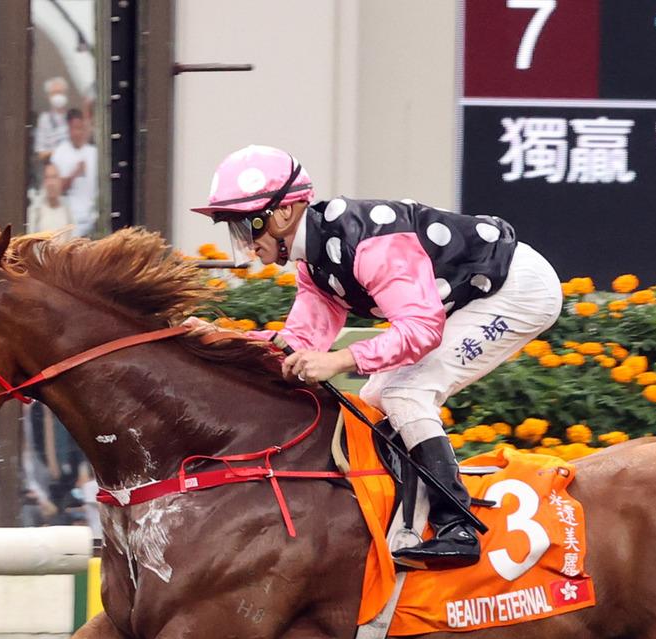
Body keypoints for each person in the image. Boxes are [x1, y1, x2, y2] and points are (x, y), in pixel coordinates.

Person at [188, 145, 564, 570]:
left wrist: (338, 360)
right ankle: (406, 520)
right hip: (470, 296)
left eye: (246, 226)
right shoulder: (315, 264)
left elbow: (421, 330)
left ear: (284, 213)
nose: (245, 243)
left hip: (516, 290)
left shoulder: (370, 242)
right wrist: (219, 341)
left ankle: (456, 526)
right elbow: (297, 344)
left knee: (405, 390)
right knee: (377, 393)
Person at [49, 108, 98, 236]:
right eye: (74, 129)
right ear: (69, 129)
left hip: (93, 218)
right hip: (69, 220)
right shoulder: (60, 153)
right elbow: (57, 189)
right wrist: (74, 174)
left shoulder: (94, 153)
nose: (78, 133)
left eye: (80, 128)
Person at [27, 161, 74, 233]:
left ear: (60, 181)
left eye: (54, 177)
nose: (51, 183)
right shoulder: (35, 211)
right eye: (47, 178)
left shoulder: (68, 212)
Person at [33, 76, 71, 163]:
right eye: (54, 93)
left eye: (60, 92)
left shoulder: (72, 116)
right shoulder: (44, 119)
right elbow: (41, 153)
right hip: (54, 167)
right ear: (49, 96)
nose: (58, 96)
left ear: (66, 94)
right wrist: (61, 153)